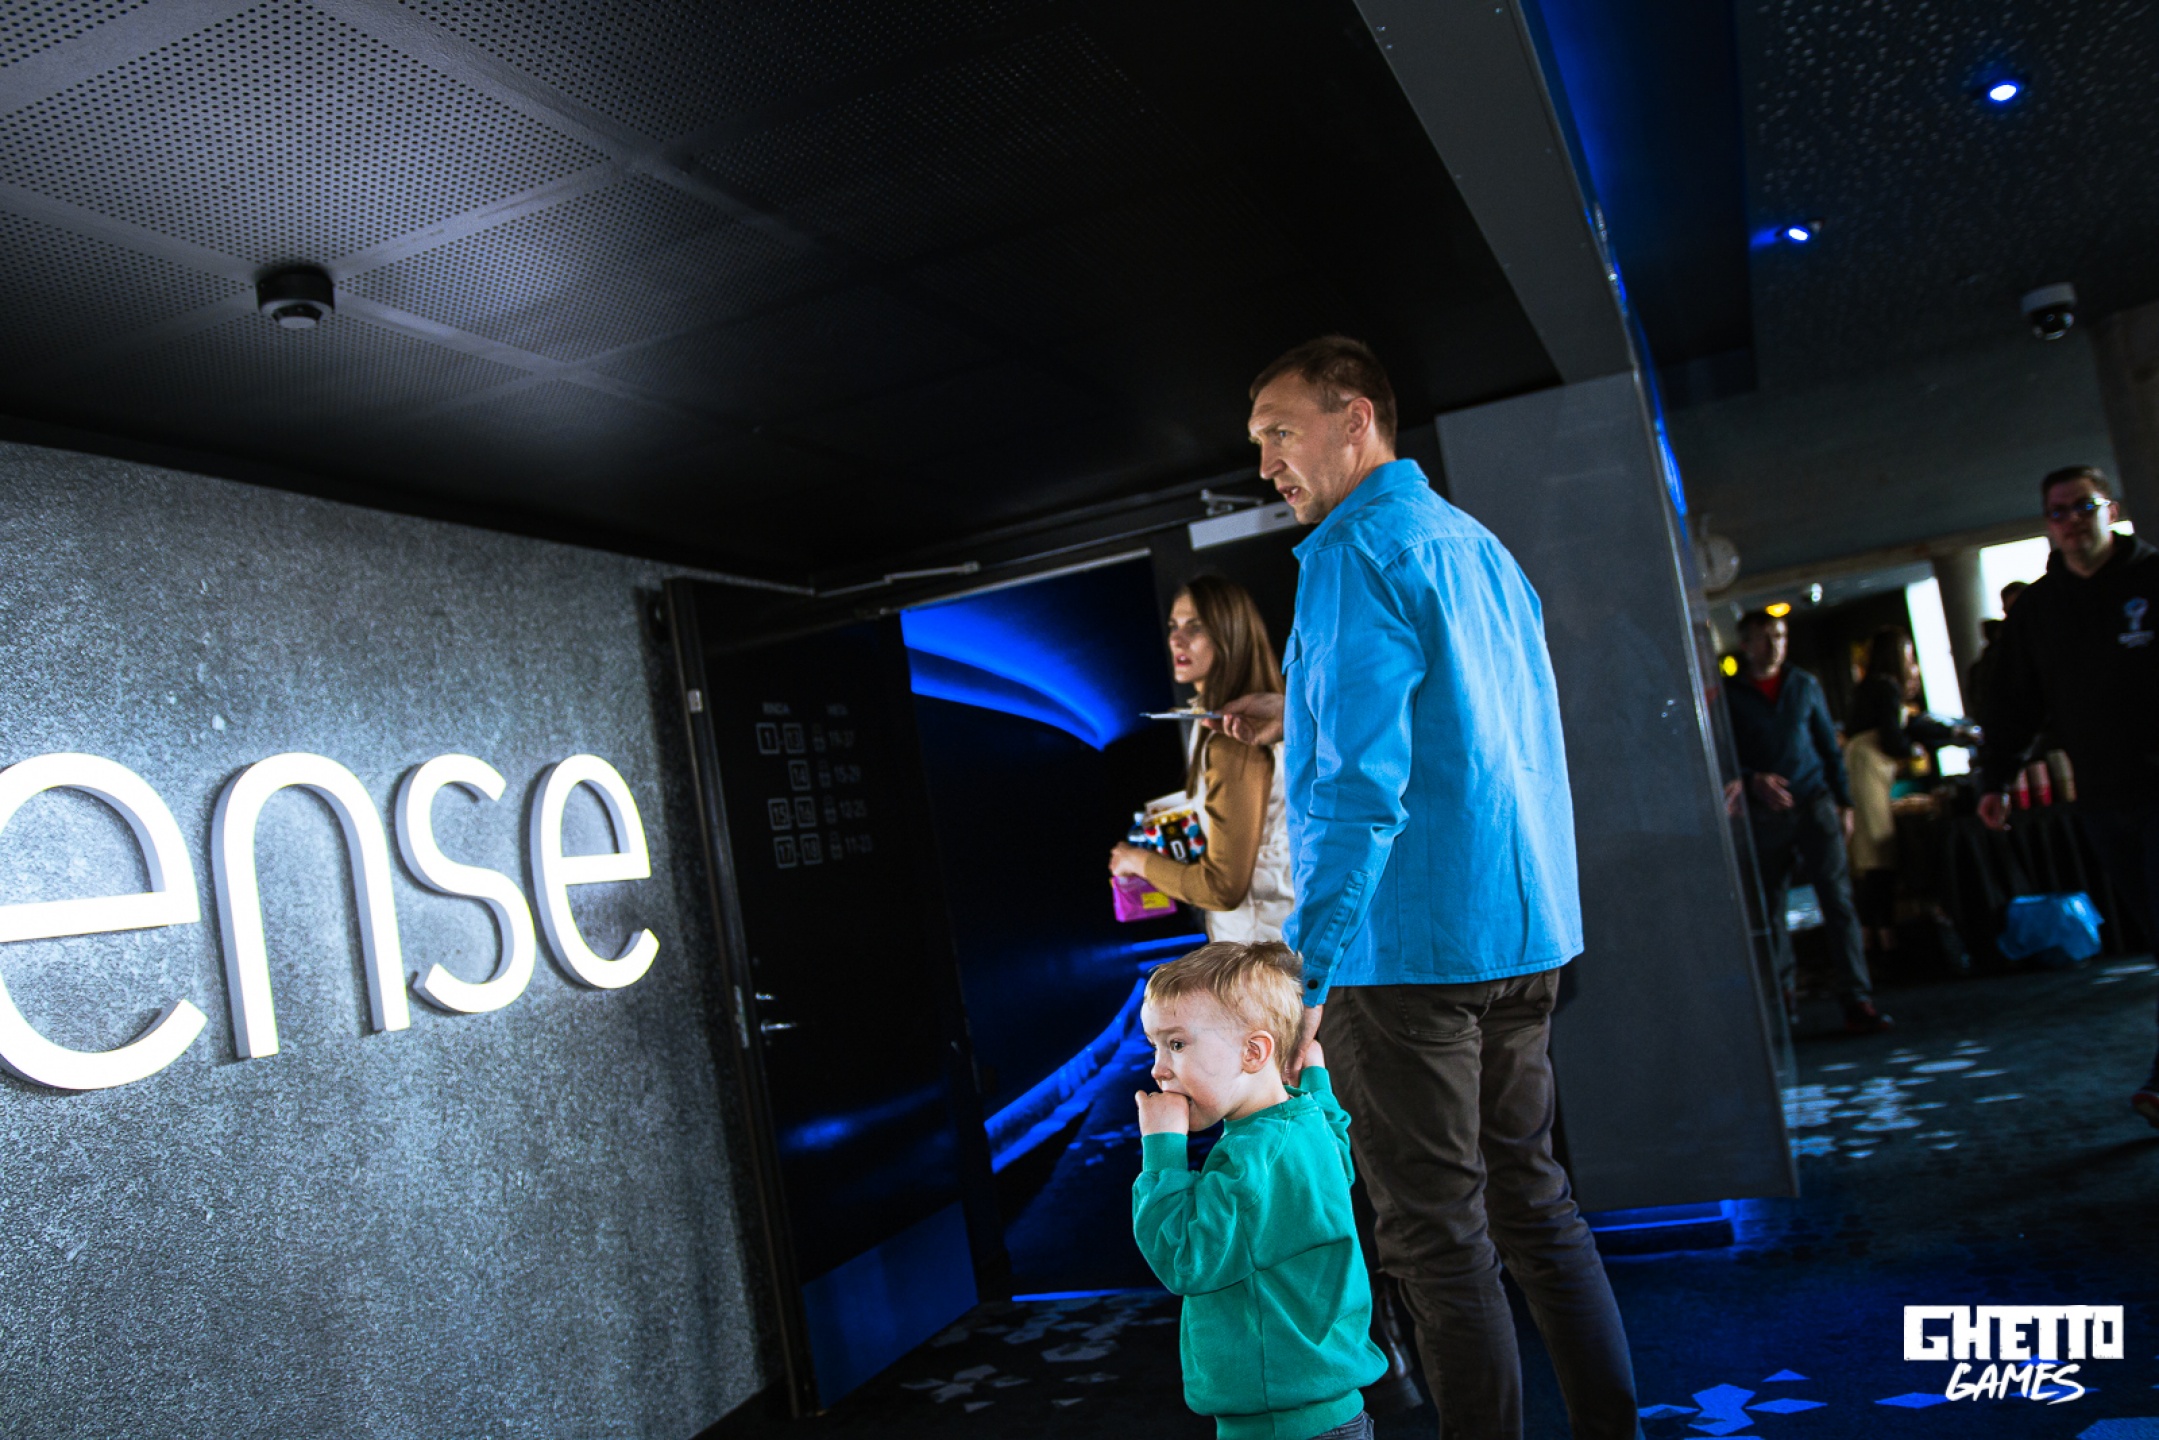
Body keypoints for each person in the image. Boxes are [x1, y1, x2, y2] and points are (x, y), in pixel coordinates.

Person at [1214, 336, 1638, 1440]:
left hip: (1404, 957)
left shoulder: (1350, 554)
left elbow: (1356, 794)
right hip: (1520, 936)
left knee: (1436, 1240)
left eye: (1279, 432)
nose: (1265, 464)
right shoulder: (1476, 545)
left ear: (1355, 419)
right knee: (1534, 1205)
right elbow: (1469, 725)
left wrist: (1308, 974)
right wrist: (1292, 711)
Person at [1131, 940, 1387, 1440]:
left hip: (1282, 1425)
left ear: (1254, 1052)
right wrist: (1315, 1076)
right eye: (1154, 1046)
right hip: (1329, 1413)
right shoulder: (1303, 1124)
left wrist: (1161, 1150)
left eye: (1177, 1044)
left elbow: (1185, 1258)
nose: (1159, 1068)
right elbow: (1337, 1140)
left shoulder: (1252, 1158)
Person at [1978, 465, 2159, 1129]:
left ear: (2109, 509)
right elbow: (2013, 703)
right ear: (2047, 526)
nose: (2072, 521)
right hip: (2105, 798)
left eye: (2083, 506)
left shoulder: (2152, 578)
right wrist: (1995, 779)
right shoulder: (2039, 610)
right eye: (2059, 512)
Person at [1723, 609, 1891, 1034]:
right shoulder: (1731, 695)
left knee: (1838, 902)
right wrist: (1750, 779)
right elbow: (1722, 756)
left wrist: (1845, 803)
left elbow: (1827, 746)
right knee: (1770, 908)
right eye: (1764, 637)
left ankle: (1857, 999)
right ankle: (1782, 997)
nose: (1774, 645)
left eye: (1779, 636)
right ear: (1746, 645)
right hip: (1765, 814)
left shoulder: (1803, 684)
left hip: (1814, 803)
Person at [1108, 576, 1292, 943]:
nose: (1176, 640)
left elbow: (1222, 887)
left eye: (1195, 627)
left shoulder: (1234, 737)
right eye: (1173, 626)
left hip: (1265, 953)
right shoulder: (1217, 723)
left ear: (1230, 635)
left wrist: (1136, 861)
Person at [1844, 628, 1975, 954]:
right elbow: (1893, 738)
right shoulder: (1887, 687)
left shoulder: (1867, 688)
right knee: (1879, 853)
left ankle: (1871, 937)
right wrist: (1912, 749)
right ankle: (1884, 939)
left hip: (1859, 768)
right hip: (1869, 769)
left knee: (1867, 857)